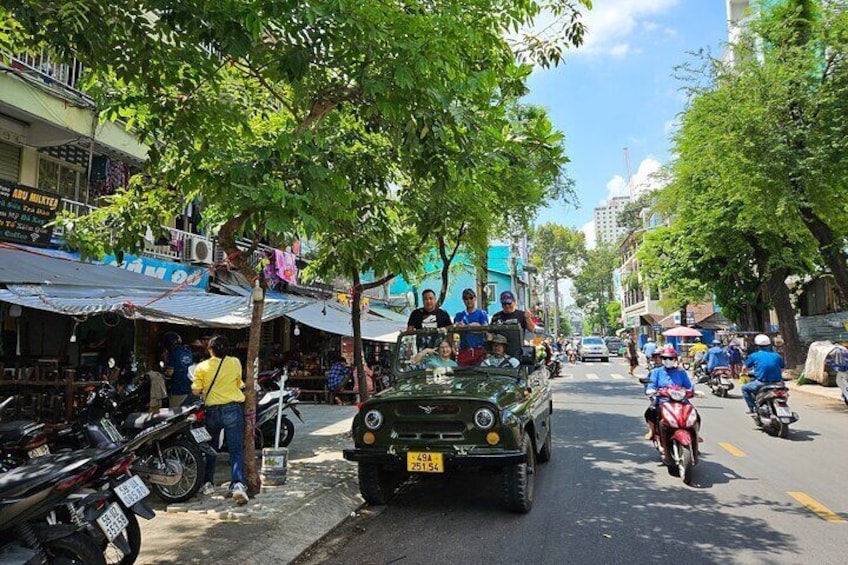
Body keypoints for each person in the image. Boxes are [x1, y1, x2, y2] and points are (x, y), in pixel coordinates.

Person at [191, 335, 249, 505]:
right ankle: (238, 484)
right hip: (232, 408)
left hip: (212, 411)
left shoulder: (202, 366)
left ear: (210, 349)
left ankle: (208, 483)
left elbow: (196, 390)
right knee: (236, 450)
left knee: (211, 448)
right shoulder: (235, 362)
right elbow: (239, 383)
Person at [643, 344, 694, 440]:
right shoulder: (656, 372)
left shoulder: (681, 372)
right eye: (665, 358)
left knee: (692, 412)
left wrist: (692, 391)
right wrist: (651, 390)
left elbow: (689, 386)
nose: (668, 361)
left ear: (675, 359)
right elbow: (651, 385)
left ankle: (694, 433)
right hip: (663, 399)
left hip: (680, 399)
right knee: (650, 411)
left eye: (670, 358)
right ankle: (652, 431)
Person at [741, 334, 785, 415]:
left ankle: (753, 408)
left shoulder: (753, 356)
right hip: (778, 383)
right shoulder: (777, 356)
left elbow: (744, 368)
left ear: (757, 346)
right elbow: (782, 368)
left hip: (762, 383)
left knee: (744, 388)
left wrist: (744, 374)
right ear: (769, 345)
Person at [453, 288, 489, 365]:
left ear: (475, 298)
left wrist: (467, 327)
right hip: (464, 350)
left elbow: (484, 329)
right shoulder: (459, 315)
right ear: (463, 300)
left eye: (471, 298)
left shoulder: (482, 314)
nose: (469, 300)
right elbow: (455, 331)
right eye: (466, 298)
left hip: (479, 350)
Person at [162, 331, 195, 407]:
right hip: (190, 389)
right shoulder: (188, 351)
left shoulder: (173, 353)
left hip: (178, 390)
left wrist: (165, 361)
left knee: (174, 414)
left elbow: (170, 373)